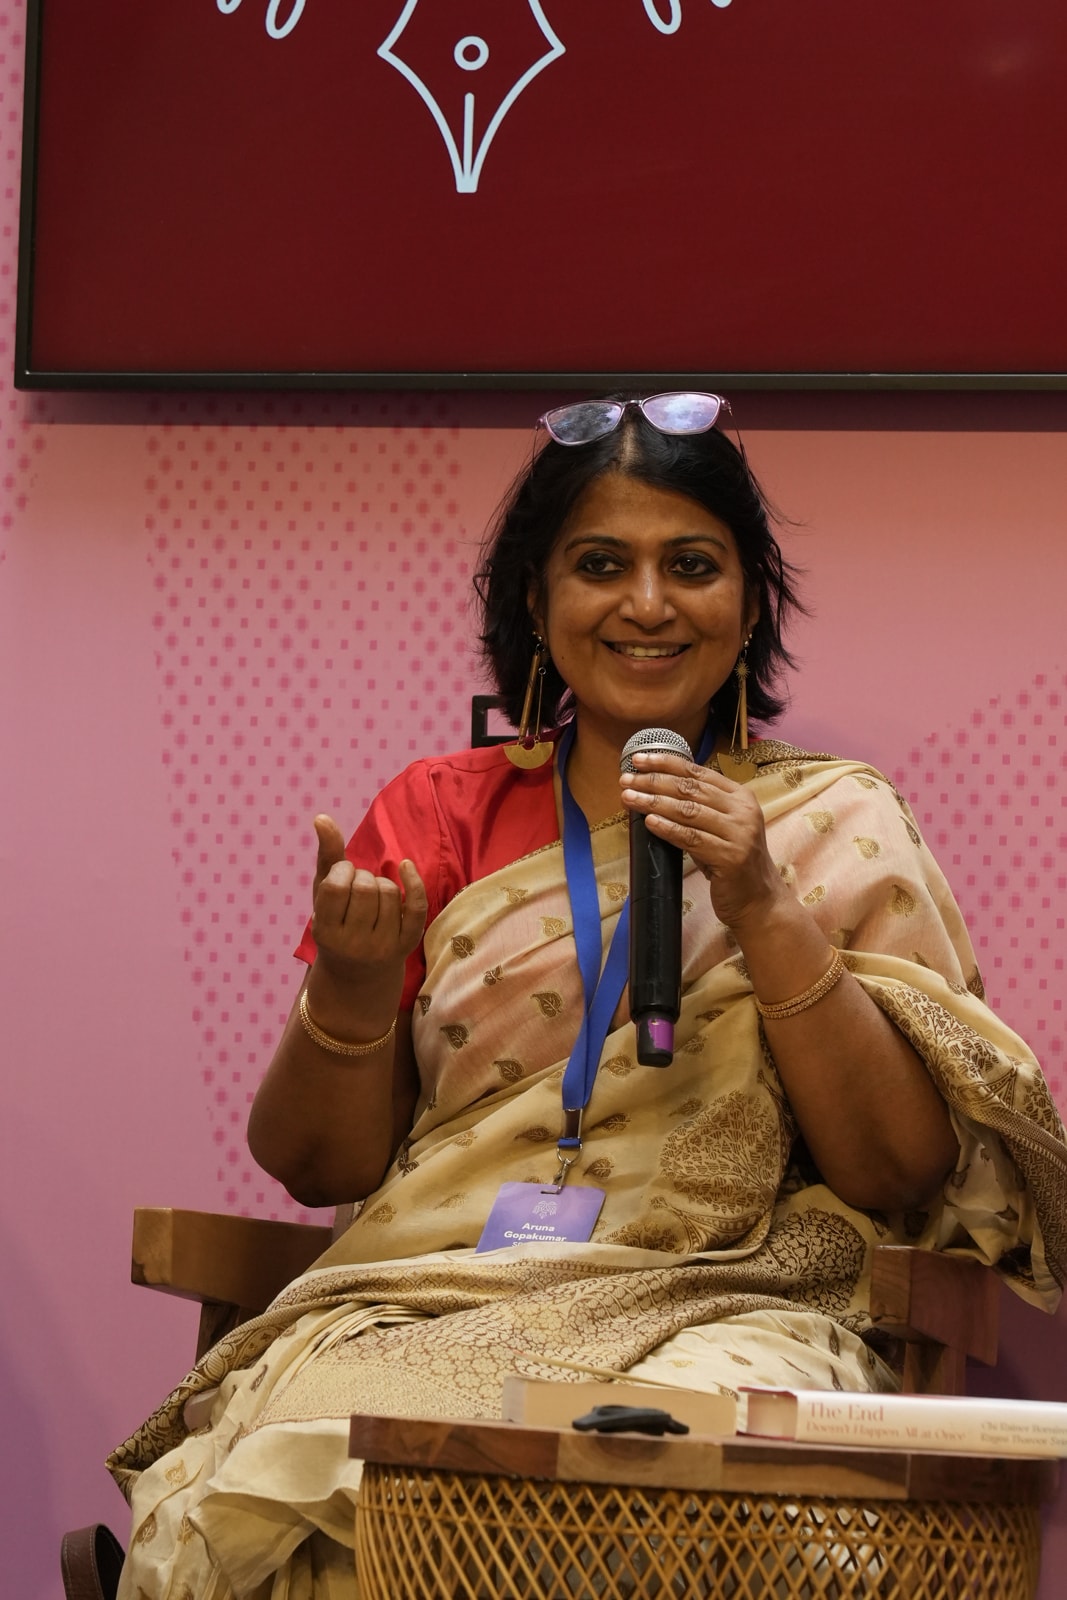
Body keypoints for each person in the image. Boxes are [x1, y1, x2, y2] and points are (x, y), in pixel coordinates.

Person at [106, 393, 1067, 1599]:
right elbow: (314, 1163)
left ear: (748, 603)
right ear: (535, 598)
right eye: (601, 565)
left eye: (691, 566)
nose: (647, 604)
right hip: (437, 1296)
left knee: (671, 1465)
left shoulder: (831, 823)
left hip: (729, 1300)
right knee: (320, 1469)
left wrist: (761, 904)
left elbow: (895, 1171)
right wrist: (349, 993)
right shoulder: (439, 813)